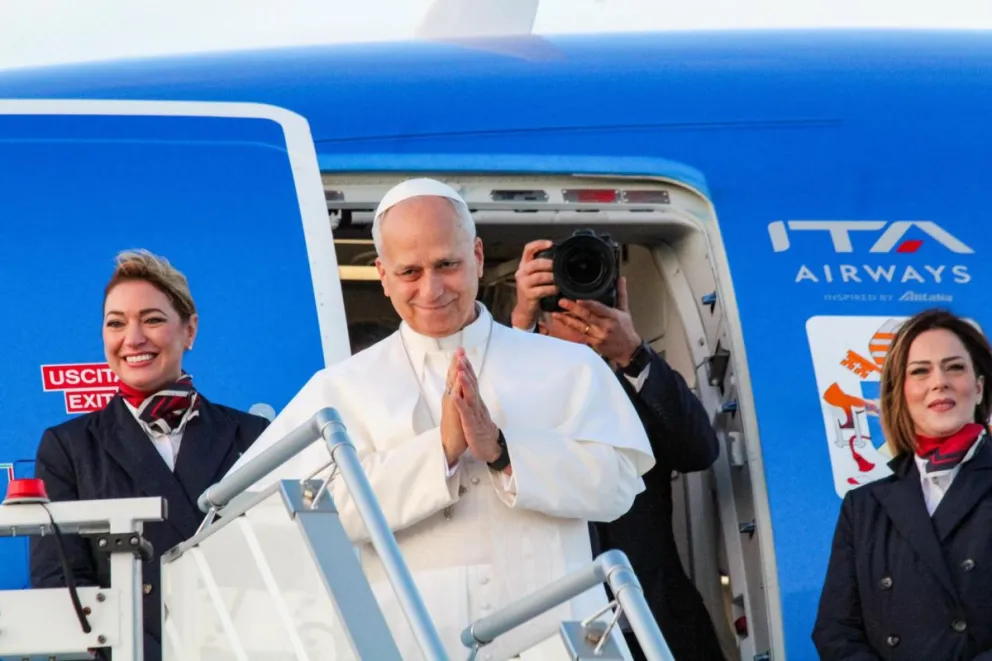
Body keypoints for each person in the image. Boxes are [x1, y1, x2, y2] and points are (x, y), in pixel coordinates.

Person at [227, 177, 655, 660]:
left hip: (552, 637)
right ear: (382, 275)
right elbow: (291, 516)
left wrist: (503, 452)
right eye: (409, 271)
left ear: (476, 255)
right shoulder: (340, 389)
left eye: (446, 264)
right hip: (408, 642)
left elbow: (619, 485)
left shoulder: (567, 366)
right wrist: (440, 452)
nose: (431, 289)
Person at [30, 250, 270, 661]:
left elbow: (282, 569)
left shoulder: (252, 437)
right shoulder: (68, 447)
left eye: (153, 319)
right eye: (116, 323)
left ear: (189, 329)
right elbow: (60, 585)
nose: (133, 339)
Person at [510, 241, 725, 661]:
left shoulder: (640, 383)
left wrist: (632, 352)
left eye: (594, 299)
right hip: (552, 628)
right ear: (545, 322)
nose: (583, 315)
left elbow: (700, 450)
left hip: (654, 621)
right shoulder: (516, 381)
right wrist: (517, 328)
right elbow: (488, 438)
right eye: (565, 307)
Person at [813, 308, 992, 660]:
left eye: (955, 367)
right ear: (900, 395)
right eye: (920, 372)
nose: (939, 381)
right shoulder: (863, 506)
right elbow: (836, 632)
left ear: (980, 388)